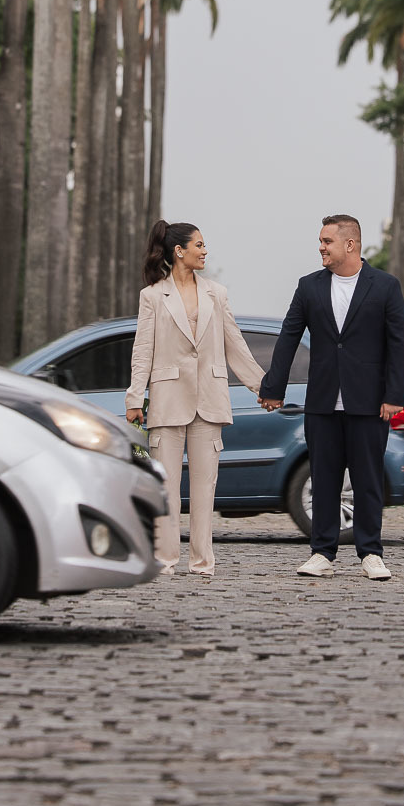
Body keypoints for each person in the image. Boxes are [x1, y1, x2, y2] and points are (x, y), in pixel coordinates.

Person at [259, 214, 404, 580]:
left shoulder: (385, 286)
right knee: (323, 479)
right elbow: (289, 336)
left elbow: (399, 344)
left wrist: (393, 395)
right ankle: (321, 553)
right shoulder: (308, 287)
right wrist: (273, 388)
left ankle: (371, 554)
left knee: (368, 480)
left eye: (327, 241)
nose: (321, 247)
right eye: (321, 241)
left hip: (370, 403)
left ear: (350, 244)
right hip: (322, 402)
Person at [127, 220, 265, 578]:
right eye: (199, 245)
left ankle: (203, 562)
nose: (205, 251)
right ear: (179, 251)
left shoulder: (217, 294)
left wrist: (262, 388)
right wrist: (134, 397)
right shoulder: (152, 296)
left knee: (205, 487)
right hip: (167, 399)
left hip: (209, 399)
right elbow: (142, 350)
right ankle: (165, 559)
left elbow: (235, 345)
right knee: (166, 486)